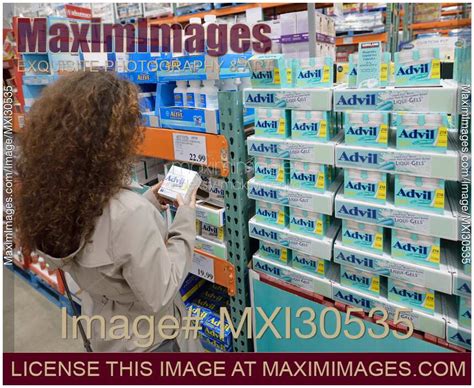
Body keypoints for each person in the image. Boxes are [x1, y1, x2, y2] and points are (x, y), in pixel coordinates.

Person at [16, 71, 200, 352]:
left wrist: (147, 200)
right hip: (151, 342)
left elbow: (104, 241)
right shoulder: (130, 214)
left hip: (105, 333)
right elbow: (160, 293)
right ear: (109, 139)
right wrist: (185, 218)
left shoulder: (55, 196)